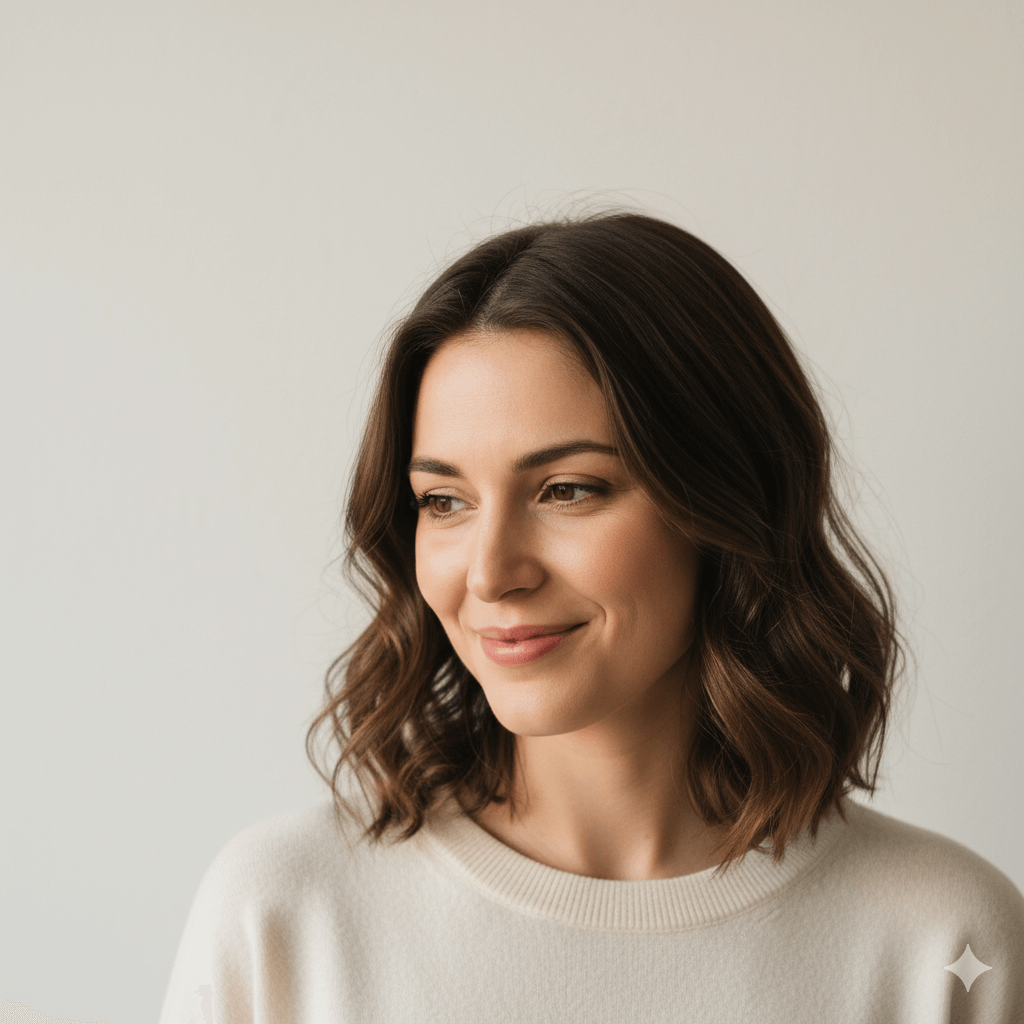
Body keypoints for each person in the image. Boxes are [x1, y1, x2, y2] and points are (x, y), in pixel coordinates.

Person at [159, 212, 1024, 1023]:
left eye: (568, 489)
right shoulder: (285, 918)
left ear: (725, 504)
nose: (491, 572)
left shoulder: (944, 940)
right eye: (444, 500)